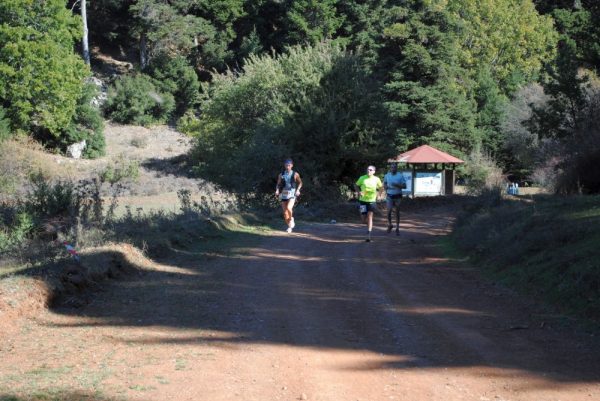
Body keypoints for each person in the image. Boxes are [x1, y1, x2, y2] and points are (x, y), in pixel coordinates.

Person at [355, 165, 383, 242]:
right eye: (368, 169)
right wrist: (359, 192)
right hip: (362, 201)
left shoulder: (376, 179)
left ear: (374, 171)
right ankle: (369, 226)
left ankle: (368, 234)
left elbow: (381, 188)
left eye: (370, 170)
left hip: (371, 201)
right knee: (363, 220)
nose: (369, 171)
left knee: (370, 216)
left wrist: (379, 195)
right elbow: (356, 185)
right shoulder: (362, 178)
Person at [275, 159, 303, 233]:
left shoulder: (295, 174)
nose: (288, 167)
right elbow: (278, 184)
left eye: (289, 165)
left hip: (292, 193)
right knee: (285, 213)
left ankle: (291, 219)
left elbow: (300, 183)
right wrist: (277, 190)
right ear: (284, 166)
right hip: (284, 193)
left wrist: (298, 190)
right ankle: (289, 226)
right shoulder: (281, 175)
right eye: (286, 165)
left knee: (288, 208)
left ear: (292, 165)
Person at [383, 162, 406, 235]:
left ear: (397, 168)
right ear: (390, 168)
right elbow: (385, 184)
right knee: (389, 211)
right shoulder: (387, 175)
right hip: (389, 196)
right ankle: (390, 225)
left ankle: (397, 228)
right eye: (392, 167)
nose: (393, 168)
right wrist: (385, 187)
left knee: (397, 212)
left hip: (398, 196)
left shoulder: (400, 176)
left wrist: (397, 185)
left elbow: (405, 186)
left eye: (394, 167)